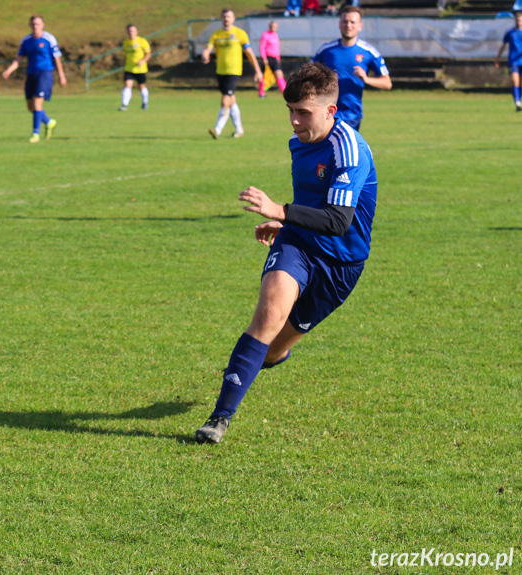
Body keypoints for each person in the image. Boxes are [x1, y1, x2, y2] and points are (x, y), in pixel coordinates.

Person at [194, 62, 377, 445]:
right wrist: (286, 226)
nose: (294, 122)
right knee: (268, 314)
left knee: (273, 351)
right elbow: (315, 201)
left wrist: (280, 211)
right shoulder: (300, 142)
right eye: (290, 111)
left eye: (303, 113)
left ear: (331, 111)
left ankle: (272, 355)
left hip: (342, 265)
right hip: (298, 244)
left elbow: (339, 220)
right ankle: (219, 418)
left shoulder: (349, 149)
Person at [312, 6, 391, 131]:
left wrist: (366, 79)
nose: (348, 25)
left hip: (351, 115)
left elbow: (387, 83)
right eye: (345, 21)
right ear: (339, 24)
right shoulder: (326, 50)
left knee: (345, 150)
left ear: (359, 26)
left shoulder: (369, 52)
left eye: (352, 22)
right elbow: (308, 75)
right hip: (325, 113)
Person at [2, 15, 67, 143]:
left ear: (42, 25)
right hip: (31, 74)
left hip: (45, 73)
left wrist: (61, 75)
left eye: (37, 24)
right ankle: (48, 122)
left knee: (37, 103)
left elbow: (57, 59)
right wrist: (9, 70)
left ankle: (35, 133)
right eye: (33, 24)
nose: (35, 26)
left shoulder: (49, 39)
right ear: (30, 25)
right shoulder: (26, 41)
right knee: (30, 107)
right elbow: (19, 59)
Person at [202, 8, 262, 139]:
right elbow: (208, 48)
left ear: (233, 19)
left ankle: (217, 130)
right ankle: (239, 129)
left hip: (234, 71)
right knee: (231, 100)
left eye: (228, 17)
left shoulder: (240, 34)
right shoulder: (216, 35)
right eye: (224, 17)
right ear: (221, 19)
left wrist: (257, 71)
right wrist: (205, 54)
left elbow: (250, 53)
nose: (226, 19)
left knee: (225, 99)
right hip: (220, 71)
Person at [118, 24, 151, 111]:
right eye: (129, 31)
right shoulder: (126, 42)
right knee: (127, 85)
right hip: (129, 68)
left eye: (132, 30)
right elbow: (126, 55)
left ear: (136, 31)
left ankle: (145, 103)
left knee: (141, 86)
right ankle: (124, 105)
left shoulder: (142, 41)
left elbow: (148, 54)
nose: (131, 32)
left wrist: (143, 61)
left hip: (140, 69)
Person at [495, 11, 522, 111]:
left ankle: (519, 99)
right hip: (513, 61)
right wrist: (498, 58)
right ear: (514, 20)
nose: (518, 21)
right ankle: (517, 103)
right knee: (515, 81)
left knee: (520, 83)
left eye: (520, 19)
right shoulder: (510, 32)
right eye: (517, 19)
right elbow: (503, 45)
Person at [258, 21, 287, 98]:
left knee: (279, 74)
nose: (274, 28)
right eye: (272, 26)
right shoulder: (265, 35)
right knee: (264, 76)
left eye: (275, 27)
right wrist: (264, 58)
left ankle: (285, 91)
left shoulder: (275, 35)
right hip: (267, 58)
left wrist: (278, 58)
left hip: (274, 58)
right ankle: (261, 93)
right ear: (269, 27)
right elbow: (262, 47)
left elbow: (276, 48)